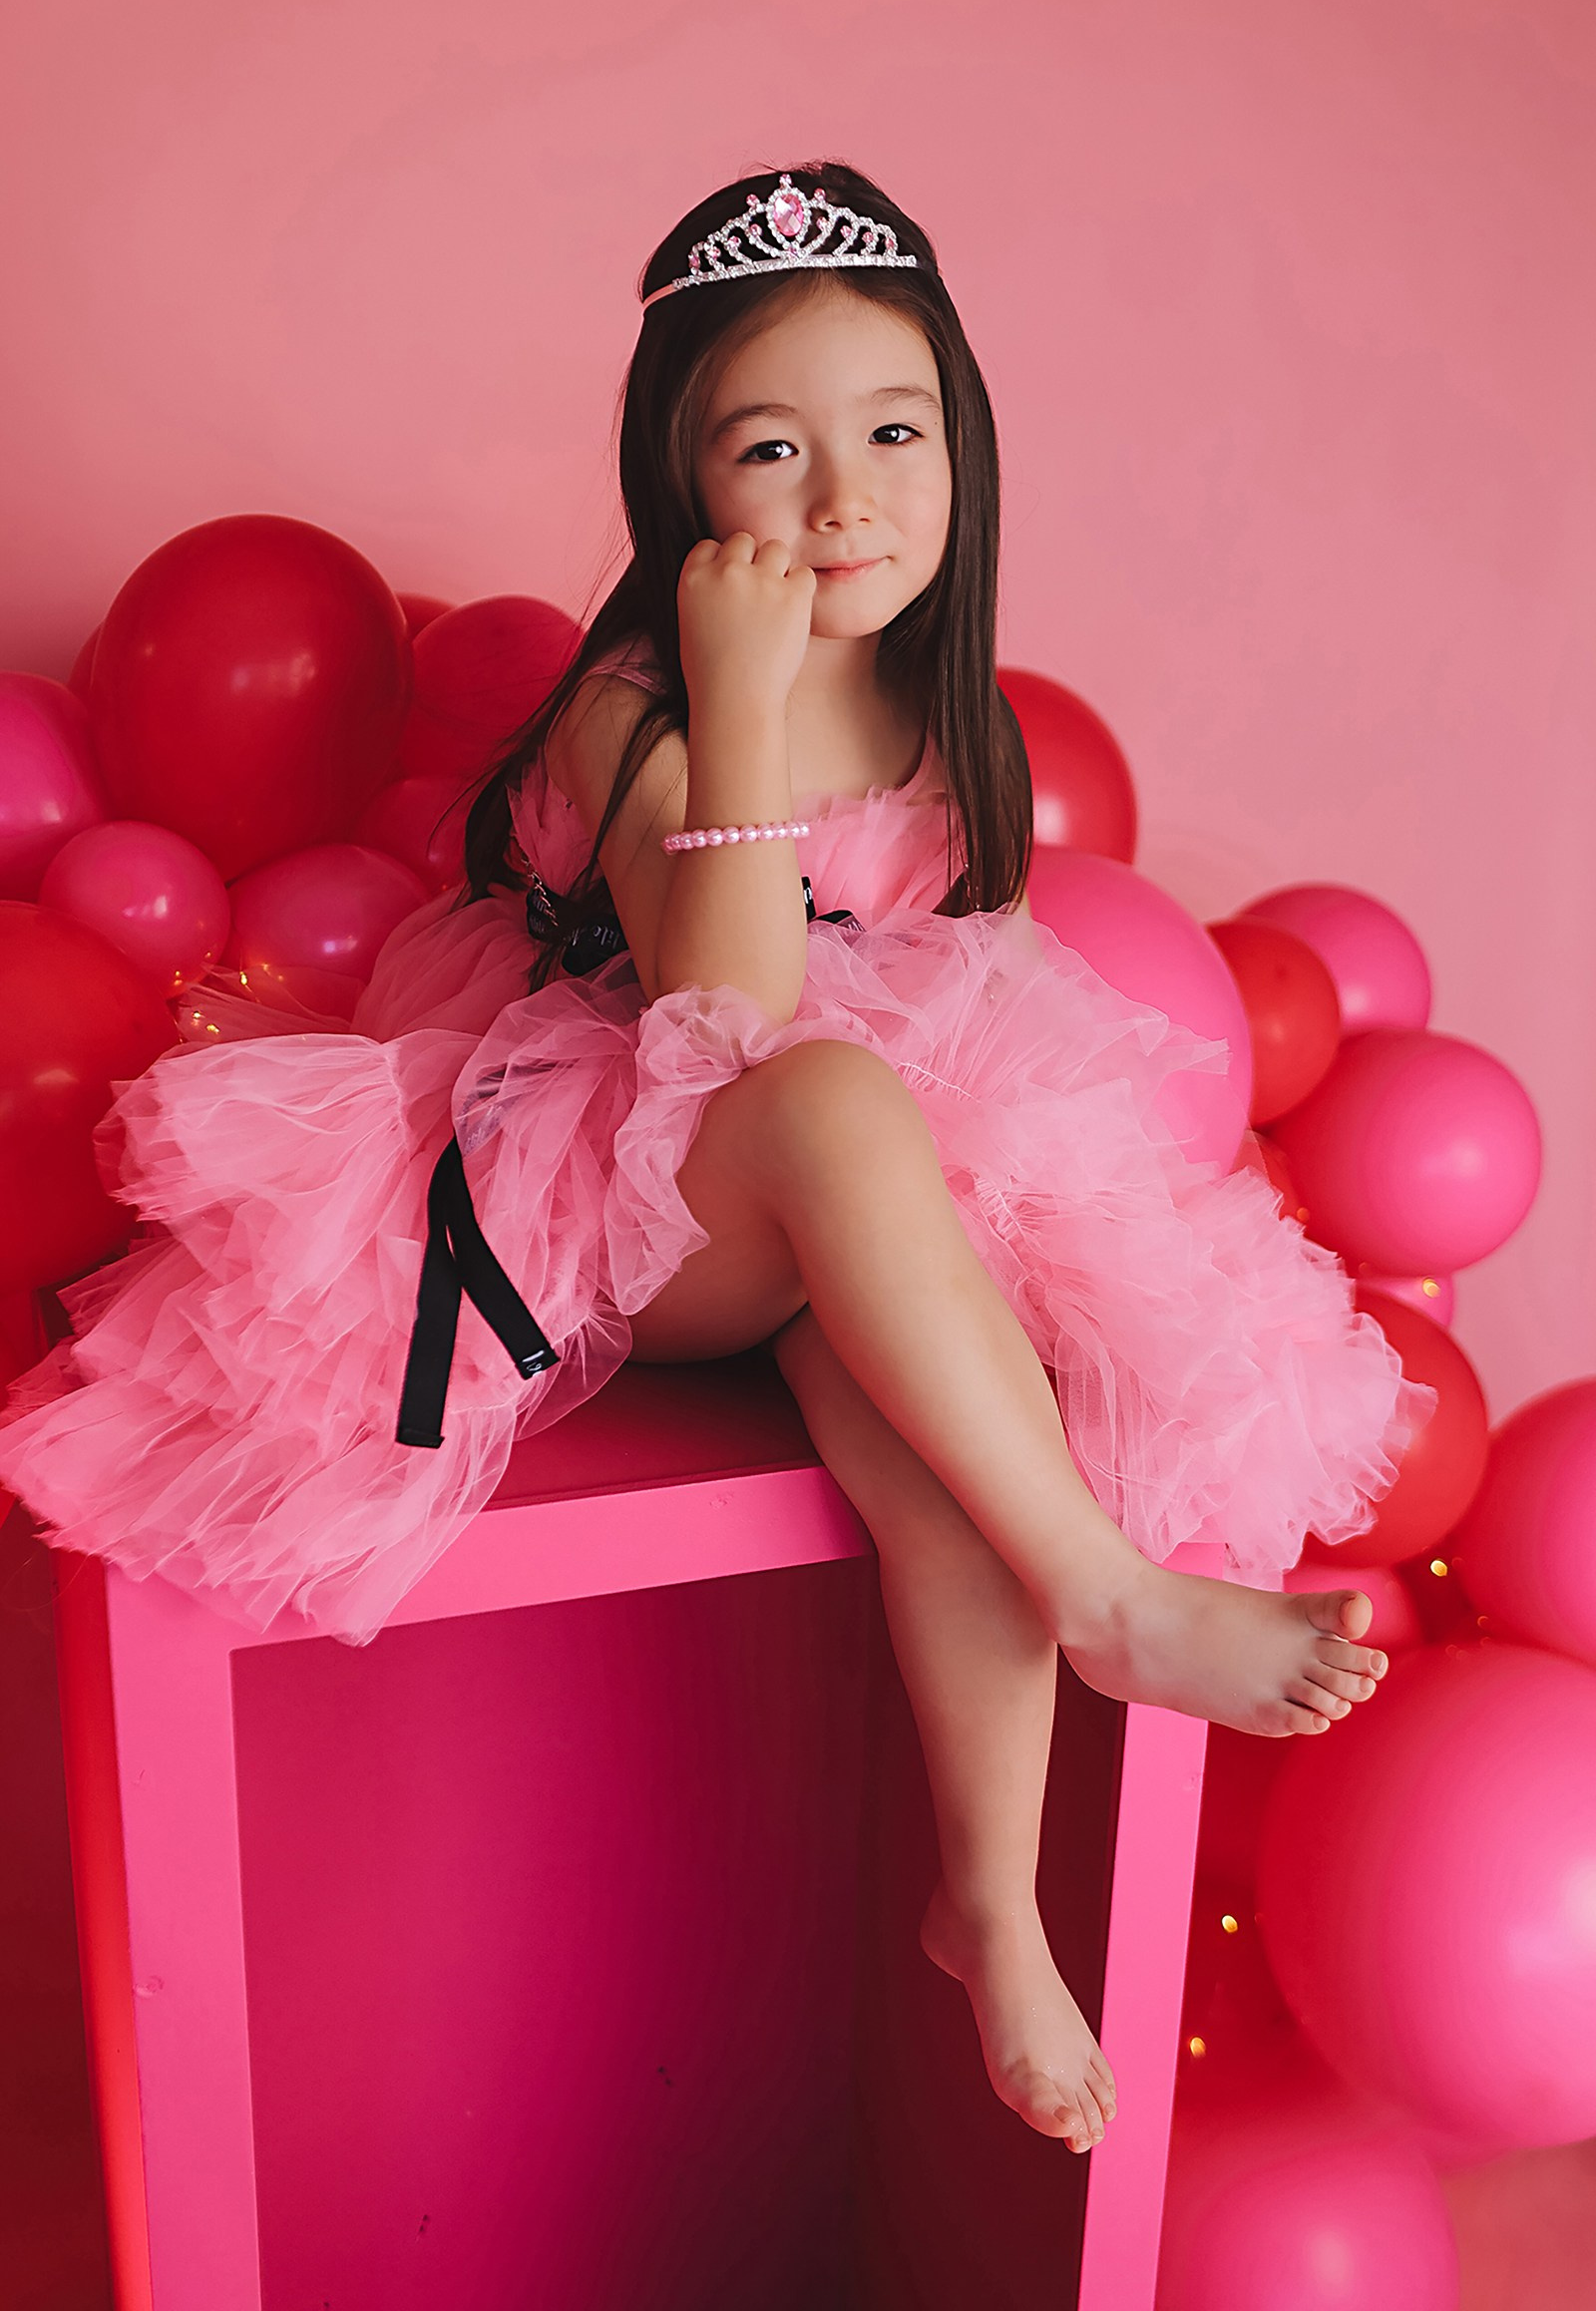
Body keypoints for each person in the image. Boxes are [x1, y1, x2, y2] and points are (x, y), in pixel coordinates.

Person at [0, 163, 1435, 2153]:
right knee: (832, 1104)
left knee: (955, 1448)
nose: (845, 496)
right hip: (622, 1199)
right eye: (773, 449)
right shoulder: (632, 711)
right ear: (682, 490)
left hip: (829, 1215)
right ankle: (1112, 1605)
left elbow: (939, 999)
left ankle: (989, 1905)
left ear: (964, 447)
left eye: (895, 433)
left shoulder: (951, 726)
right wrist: (740, 700)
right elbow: (730, 1024)